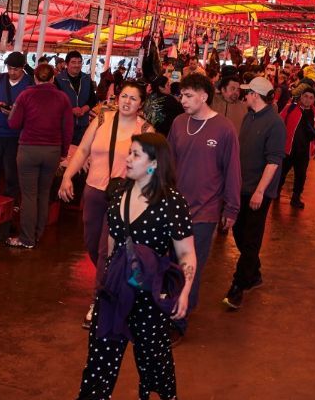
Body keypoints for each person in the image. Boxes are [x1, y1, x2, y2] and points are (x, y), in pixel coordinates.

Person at [75, 133, 197, 400]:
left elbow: (186, 252)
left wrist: (185, 291)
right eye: (128, 153)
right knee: (99, 361)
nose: (127, 159)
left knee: (156, 363)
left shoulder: (172, 202)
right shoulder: (118, 194)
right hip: (115, 292)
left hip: (149, 296)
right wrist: (104, 284)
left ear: (154, 164)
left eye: (135, 155)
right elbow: (110, 245)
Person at [59, 80, 151, 327]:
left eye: (133, 98)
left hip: (123, 199)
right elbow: (82, 151)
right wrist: (68, 176)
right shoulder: (101, 121)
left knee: (104, 249)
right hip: (94, 191)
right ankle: (113, 279)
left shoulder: (146, 131)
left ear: (141, 104)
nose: (127, 101)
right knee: (91, 241)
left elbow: (152, 168)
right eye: (124, 96)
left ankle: (98, 302)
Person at [167, 73, 240, 335]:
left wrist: (231, 208)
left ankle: (179, 321)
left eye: (188, 96)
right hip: (174, 207)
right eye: (181, 96)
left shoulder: (224, 129)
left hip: (205, 211)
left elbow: (232, 170)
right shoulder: (178, 123)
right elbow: (167, 164)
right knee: (171, 262)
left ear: (204, 96)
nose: (183, 101)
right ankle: (170, 308)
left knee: (190, 266)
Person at [222, 76, 285, 311]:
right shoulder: (249, 117)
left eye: (248, 92)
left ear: (255, 96)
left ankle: (238, 286)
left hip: (259, 190)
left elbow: (274, 161)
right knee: (239, 231)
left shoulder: (275, 123)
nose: (244, 95)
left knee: (251, 238)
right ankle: (254, 273)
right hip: (242, 186)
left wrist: (260, 191)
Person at [6, 63, 74, 249]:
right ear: (53, 78)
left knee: (29, 195)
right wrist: (64, 152)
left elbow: (13, 123)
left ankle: (26, 239)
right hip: (52, 151)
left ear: (35, 78)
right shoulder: (63, 98)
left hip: (29, 149)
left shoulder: (25, 95)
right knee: (44, 193)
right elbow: (68, 128)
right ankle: (37, 235)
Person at [0, 52, 32, 204]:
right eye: (9, 68)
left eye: (15, 69)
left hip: (16, 137)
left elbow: (32, 112)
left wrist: (14, 112)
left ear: (23, 68)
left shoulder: (30, 84)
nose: (12, 72)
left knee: (12, 175)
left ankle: (9, 208)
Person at [278, 86, 315, 209]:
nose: (308, 100)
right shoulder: (290, 108)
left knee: (301, 176)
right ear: (301, 97)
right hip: (288, 149)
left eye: (311, 98)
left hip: (304, 152)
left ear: (314, 100)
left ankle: (296, 198)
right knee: (281, 173)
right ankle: (276, 193)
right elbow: (279, 123)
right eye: (305, 97)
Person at [57, 50, 97, 146]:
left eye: (79, 62)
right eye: (73, 62)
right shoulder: (58, 79)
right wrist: (71, 110)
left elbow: (93, 98)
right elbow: (56, 102)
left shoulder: (86, 78)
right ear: (67, 64)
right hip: (64, 125)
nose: (77, 65)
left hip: (83, 125)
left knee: (80, 152)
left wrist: (84, 109)